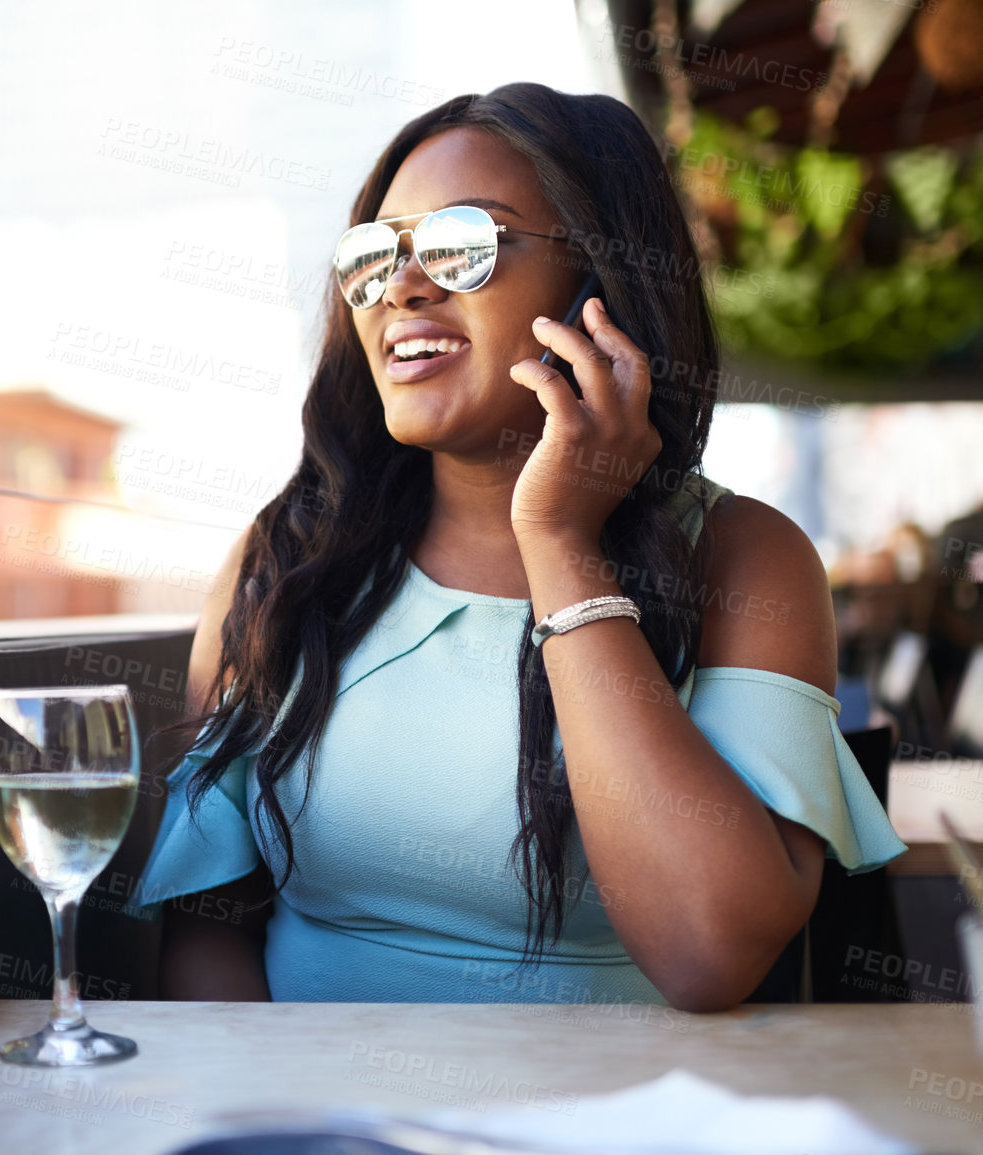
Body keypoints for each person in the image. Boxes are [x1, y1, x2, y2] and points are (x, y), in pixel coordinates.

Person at [133, 84, 906, 1012]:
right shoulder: (284, 558)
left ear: (599, 288)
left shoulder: (743, 558)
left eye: (463, 248)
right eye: (374, 258)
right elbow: (208, 928)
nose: (404, 288)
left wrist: (560, 543)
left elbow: (711, 953)